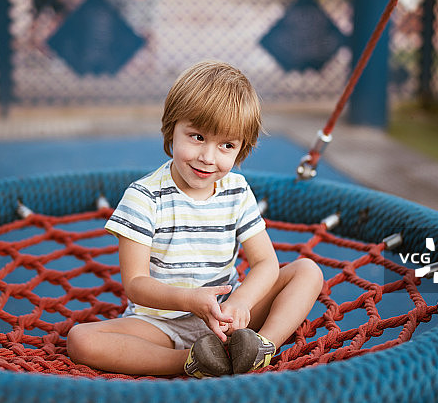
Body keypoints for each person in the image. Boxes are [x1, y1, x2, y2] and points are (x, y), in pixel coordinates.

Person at [66, 61, 324, 377]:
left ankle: (261, 347)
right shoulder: (144, 196)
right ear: (172, 128)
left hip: (226, 316)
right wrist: (190, 300)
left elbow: (265, 263)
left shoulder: (236, 190)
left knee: (307, 271)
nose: (208, 157)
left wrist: (241, 303)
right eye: (197, 136)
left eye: (226, 145)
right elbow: (135, 284)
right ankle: (193, 360)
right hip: (160, 324)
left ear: (241, 150)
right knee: (81, 340)